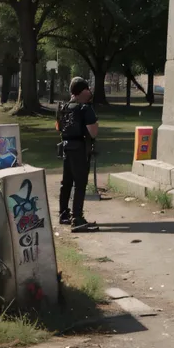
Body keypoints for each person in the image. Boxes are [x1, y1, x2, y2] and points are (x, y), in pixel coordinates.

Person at [57, 77, 99, 233]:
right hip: (80, 149)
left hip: (66, 147)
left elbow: (59, 128)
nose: (90, 92)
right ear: (82, 91)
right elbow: (93, 132)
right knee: (80, 184)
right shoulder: (85, 109)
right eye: (88, 89)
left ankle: (64, 214)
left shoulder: (65, 107)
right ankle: (78, 219)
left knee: (66, 182)